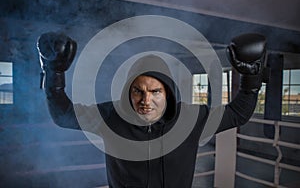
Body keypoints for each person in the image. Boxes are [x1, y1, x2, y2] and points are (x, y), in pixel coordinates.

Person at [37, 32, 267, 188]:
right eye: (138, 91)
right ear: (129, 90)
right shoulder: (111, 116)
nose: (145, 100)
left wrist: (252, 76)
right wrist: (53, 73)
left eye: (155, 91)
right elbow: (62, 114)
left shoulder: (191, 117)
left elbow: (238, 113)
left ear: (167, 92)